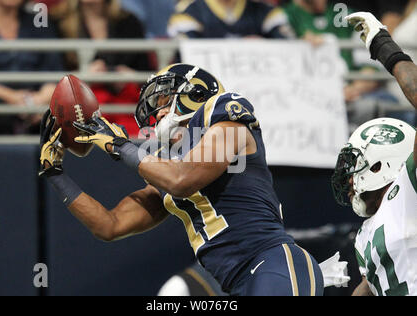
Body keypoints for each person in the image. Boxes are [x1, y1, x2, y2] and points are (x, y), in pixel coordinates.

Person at [39, 63, 327, 296]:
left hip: (272, 263)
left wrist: (120, 146)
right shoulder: (171, 164)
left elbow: (183, 179)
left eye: (164, 100)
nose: (159, 111)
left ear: (196, 93)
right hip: (234, 284)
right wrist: (55, 174)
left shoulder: (225, 113)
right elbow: (109, 225)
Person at [331, 12, 417, 296]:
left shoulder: (408, 187)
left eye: (356, 162)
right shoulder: (365, 236)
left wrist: (383, 46)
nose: (350, 176)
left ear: (384, 161)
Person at [48, 0, 152, 137]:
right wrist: (83, 77)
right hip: (80, 108)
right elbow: (50, 73)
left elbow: (146, 72)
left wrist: (131, 76)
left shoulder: (129, 21)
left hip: (126, 105)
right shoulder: (57, 21)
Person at [0, 0, 64, 134]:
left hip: (38, 109)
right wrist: (12, 97)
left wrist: (38, 100)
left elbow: (54, 70)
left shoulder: (39, 22)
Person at [167, 0, 294, 39]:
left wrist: (264, 45)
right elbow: (189, 53)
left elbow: (287, 45)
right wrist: (240, 46)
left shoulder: (265, 11)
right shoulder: (189, 11)